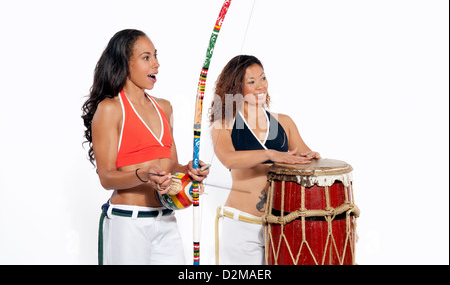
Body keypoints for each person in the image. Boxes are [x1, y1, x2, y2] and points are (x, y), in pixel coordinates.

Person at [81, 29, 209, 265]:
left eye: (156, 56)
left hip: (166, 219)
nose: (156, 64)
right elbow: (106, 177)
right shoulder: (111, 108)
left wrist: (189, 170)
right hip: (128, 222)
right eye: (146, 57)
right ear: (125, 64)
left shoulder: (165, 108)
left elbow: (171, 166)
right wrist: (143, 175)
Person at [209, 55, 320, 265]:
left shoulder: (284, 122)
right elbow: (229, 159)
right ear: (236, 88)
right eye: (251, 82)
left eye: (263, 78)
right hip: (243, 223)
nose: (260, 86)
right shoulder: (224, 121)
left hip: (282, 224)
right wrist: (270, 154)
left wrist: (313, 158)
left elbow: (306, 162)